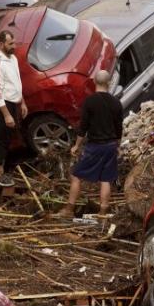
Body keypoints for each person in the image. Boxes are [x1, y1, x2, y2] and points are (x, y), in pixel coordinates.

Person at [57, 70, 124, 219]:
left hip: (95, 147)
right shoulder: (116, 103)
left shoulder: (90, 102)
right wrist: (117, 145)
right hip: (110, 146)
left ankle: (69, 209)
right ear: (109, 83)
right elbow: (119, 128)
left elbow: (83, 127)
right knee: (106, 179)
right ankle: (103, 212)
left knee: (76, 176)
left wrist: (76, 145)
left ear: (94, 81)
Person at [0, 30, 28, 187]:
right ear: (1, 44)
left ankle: (3, 171)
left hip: (12, 103)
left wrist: (22, 102)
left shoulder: (13, 59)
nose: (14, 46)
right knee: (1, 139)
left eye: (14, 43)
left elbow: (17, 82)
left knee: (9, 138)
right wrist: (7, 115)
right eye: (11, 44)